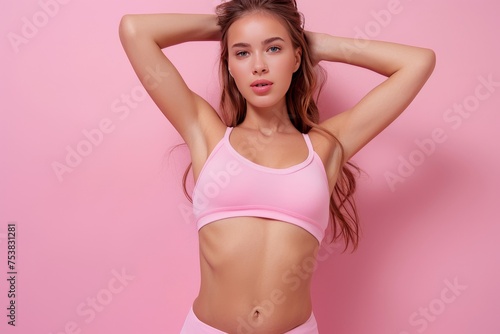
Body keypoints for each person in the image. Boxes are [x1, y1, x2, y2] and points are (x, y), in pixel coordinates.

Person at [119, 0, 435, 332]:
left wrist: (316, 42)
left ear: (297, 57)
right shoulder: (207, 135)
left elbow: (417, 62)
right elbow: (135, 30)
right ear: (229, 65)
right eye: (242, 53)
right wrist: (234, 24)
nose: (258, 66)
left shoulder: (326, 147)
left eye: (273, 48)